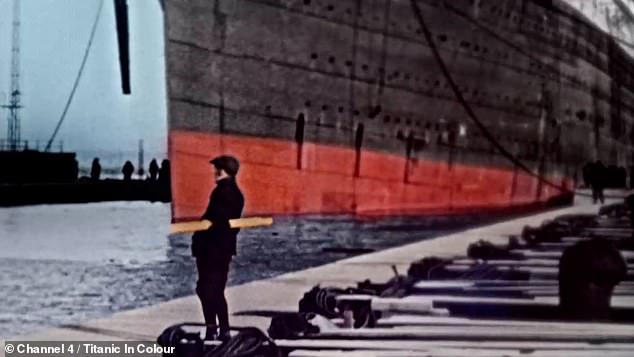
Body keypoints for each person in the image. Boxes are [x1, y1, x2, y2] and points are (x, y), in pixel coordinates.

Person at [192, 155, 244, 341]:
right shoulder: (236, 193)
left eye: (217, 170)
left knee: (206, 289)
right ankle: (222, 329)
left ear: (225, 171)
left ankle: (215, 329)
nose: (214, 173)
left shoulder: (222, 192)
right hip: (223, 249)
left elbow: (214, 220)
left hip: (211, 250)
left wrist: (201, 233)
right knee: (214, 290)